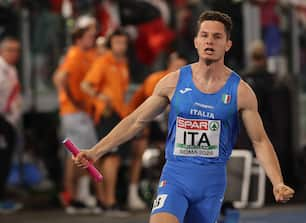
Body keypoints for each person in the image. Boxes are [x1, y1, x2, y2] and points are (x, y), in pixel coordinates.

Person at [73, 10, 294, 223]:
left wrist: (277, 182)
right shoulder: (173, 82)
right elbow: (135, 120)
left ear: (227, 45)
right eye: (204, 35)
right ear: (196, 41)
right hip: (175, 178)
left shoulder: (240, 91)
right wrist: (96, 151)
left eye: (217, 37)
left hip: (211, 184)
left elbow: (260, 140)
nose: (210, 41)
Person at [127, 51, 187, 210]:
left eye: (182, 67)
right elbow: (146, 110)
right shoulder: (157, 80)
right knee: (140, 149)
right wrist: (144, 130)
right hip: (142, 119)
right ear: (169, 65)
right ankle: (132, 192)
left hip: (165, 124)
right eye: (176, 66)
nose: (179, 70)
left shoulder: (188, 83)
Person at [81, 28, 130, 216]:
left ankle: (105, 201)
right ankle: (109, 202)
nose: (121, 46)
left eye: (124, 43)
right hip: (107, 115)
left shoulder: (122, 64)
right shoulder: (103, 62)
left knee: (110, 159)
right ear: (111, 44)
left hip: (119, 114)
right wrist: (101, 98)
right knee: (111, 158)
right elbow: (85, 85)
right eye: (117, 42)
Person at [53, 17, 99, 214]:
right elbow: (60, 79)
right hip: (73, 113)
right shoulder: (74, 54)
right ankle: (71, 197)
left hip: (81, 112)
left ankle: (79, 196)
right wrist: (73, 100)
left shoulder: (84, 54)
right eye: (89, 36)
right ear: (79, 38)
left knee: (81, 155)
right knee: (76, 155)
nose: (93, 39)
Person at [0, 36, 23, 214]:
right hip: (2, 121)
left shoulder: (11, 70)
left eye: (17, 50)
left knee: (6, 160)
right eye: (10, 49)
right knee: (2, 160)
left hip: (9, 121)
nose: (15, 54)